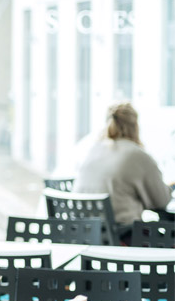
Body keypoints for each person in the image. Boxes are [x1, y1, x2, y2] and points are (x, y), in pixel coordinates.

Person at [73, 102, 173, 245]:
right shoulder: (137, 155)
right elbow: (161, 201)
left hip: (84, 235)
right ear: (135, 126)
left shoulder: (92, 149)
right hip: (121, 237)